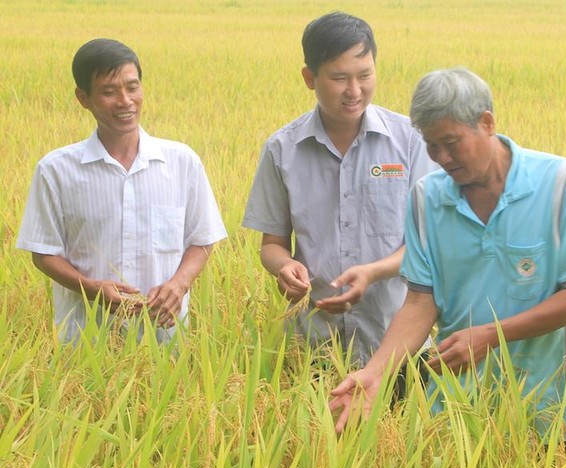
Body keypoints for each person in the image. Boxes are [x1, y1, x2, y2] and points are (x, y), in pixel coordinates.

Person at [329, 67, 566, 434]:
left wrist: (489, 335)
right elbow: (421, 302)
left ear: (486, 123)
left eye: (451, 143)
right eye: (431, 145)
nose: (441, 157)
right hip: (455, 407)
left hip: (548, 404)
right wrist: (375, 372)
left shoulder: (560, 182)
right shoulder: (427, 197)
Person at [242, 12, 437, 364]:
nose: (355, 91)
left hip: (397, 343)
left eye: (365, 75)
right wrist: (283, 267)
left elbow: (425, 245)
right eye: (339, 78)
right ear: (309, 78)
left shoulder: (410, 141)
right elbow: (271, 245)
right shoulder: (282, 150)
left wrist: (373, 272)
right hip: (314, 345)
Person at [16, 38, 227, 344]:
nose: (125, 101)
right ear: (83, 98)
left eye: (132, 87)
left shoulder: (182, 162)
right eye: (108, 91)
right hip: (85, 339)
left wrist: (179, 284)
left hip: (166, 340)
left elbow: (202, 240)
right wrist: (90, 288)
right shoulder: (56, 170)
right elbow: (44, 253)